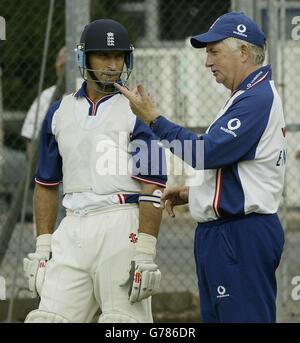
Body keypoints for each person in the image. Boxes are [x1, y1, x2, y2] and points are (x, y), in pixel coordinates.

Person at [115, 12, 286, 323]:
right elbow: (241, 168)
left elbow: (205, 153)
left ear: (244, 52)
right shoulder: (246, 96)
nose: (207, 62)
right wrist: (196, 193)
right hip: (226, 233)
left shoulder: (257, 98)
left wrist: (153, 119)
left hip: (239, 234)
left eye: (214, 51)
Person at [23, 19, 166, 323]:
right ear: (83, 58)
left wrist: (145, 250)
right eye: (103, 56)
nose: (112, 65)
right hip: (72, 227)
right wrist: (43, 246)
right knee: (46, 319)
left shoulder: (138, 109)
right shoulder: (59, 109)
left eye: (118, 57)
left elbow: (152, 185)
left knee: (122, 324)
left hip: (121, 224)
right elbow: (46, 184)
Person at [21, 46, 67, 227]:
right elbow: (30, 138)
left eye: (68, 64)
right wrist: (44, 171)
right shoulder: (47, 97)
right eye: (62, 64)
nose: (64, 69)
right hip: (54, 179)